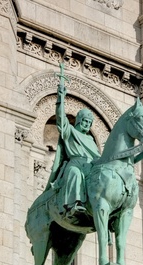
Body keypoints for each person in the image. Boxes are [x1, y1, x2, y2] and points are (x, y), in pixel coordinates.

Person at [47, 80, 101, 218]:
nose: (87, 124)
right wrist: (60, 99)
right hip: (75, 164)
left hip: (90, 166)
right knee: (75, 174)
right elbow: (61, 119)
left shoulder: (91, 140)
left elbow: (97, 157)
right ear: (78, 121)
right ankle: (73, 205)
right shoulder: (69, 131)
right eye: (84, 121)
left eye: (89, 123)